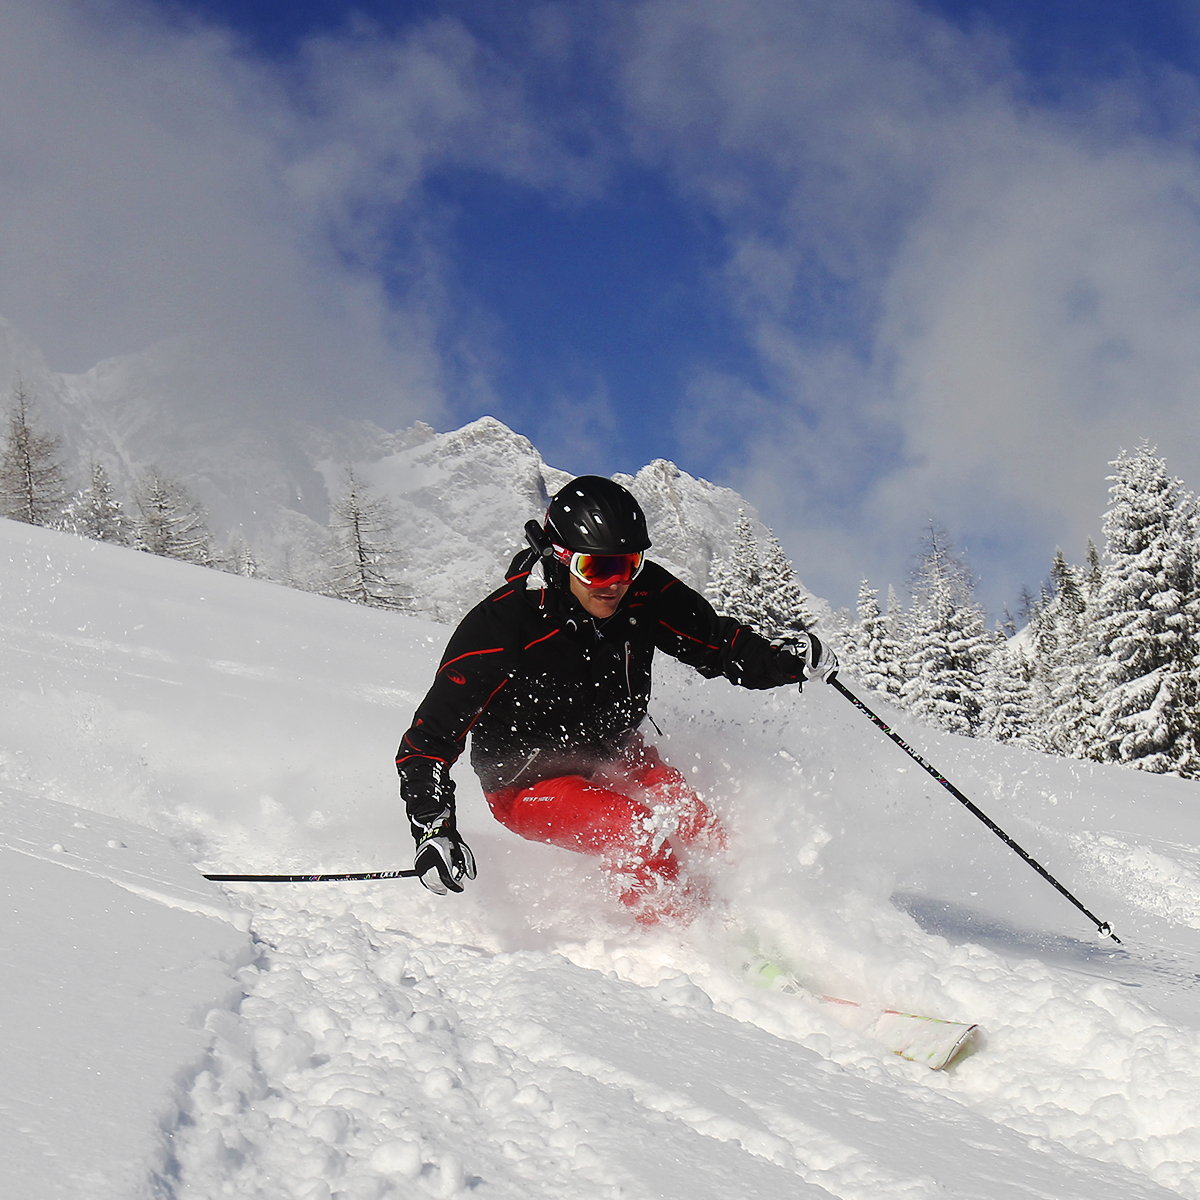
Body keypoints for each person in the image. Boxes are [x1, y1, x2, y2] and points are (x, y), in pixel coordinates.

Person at [395, 475, 838, 919]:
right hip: (527, 783)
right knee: (634, 830)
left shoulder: (643, 593)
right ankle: (695, 938)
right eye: (597, 568)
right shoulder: (504, 625)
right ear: (561, 558)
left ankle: (759, 910)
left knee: (694, 819)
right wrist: (435, 829)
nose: (615, 583)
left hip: (614, 751)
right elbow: (428, 741)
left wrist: (784, 660)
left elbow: (716, 644)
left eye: (628, 564)